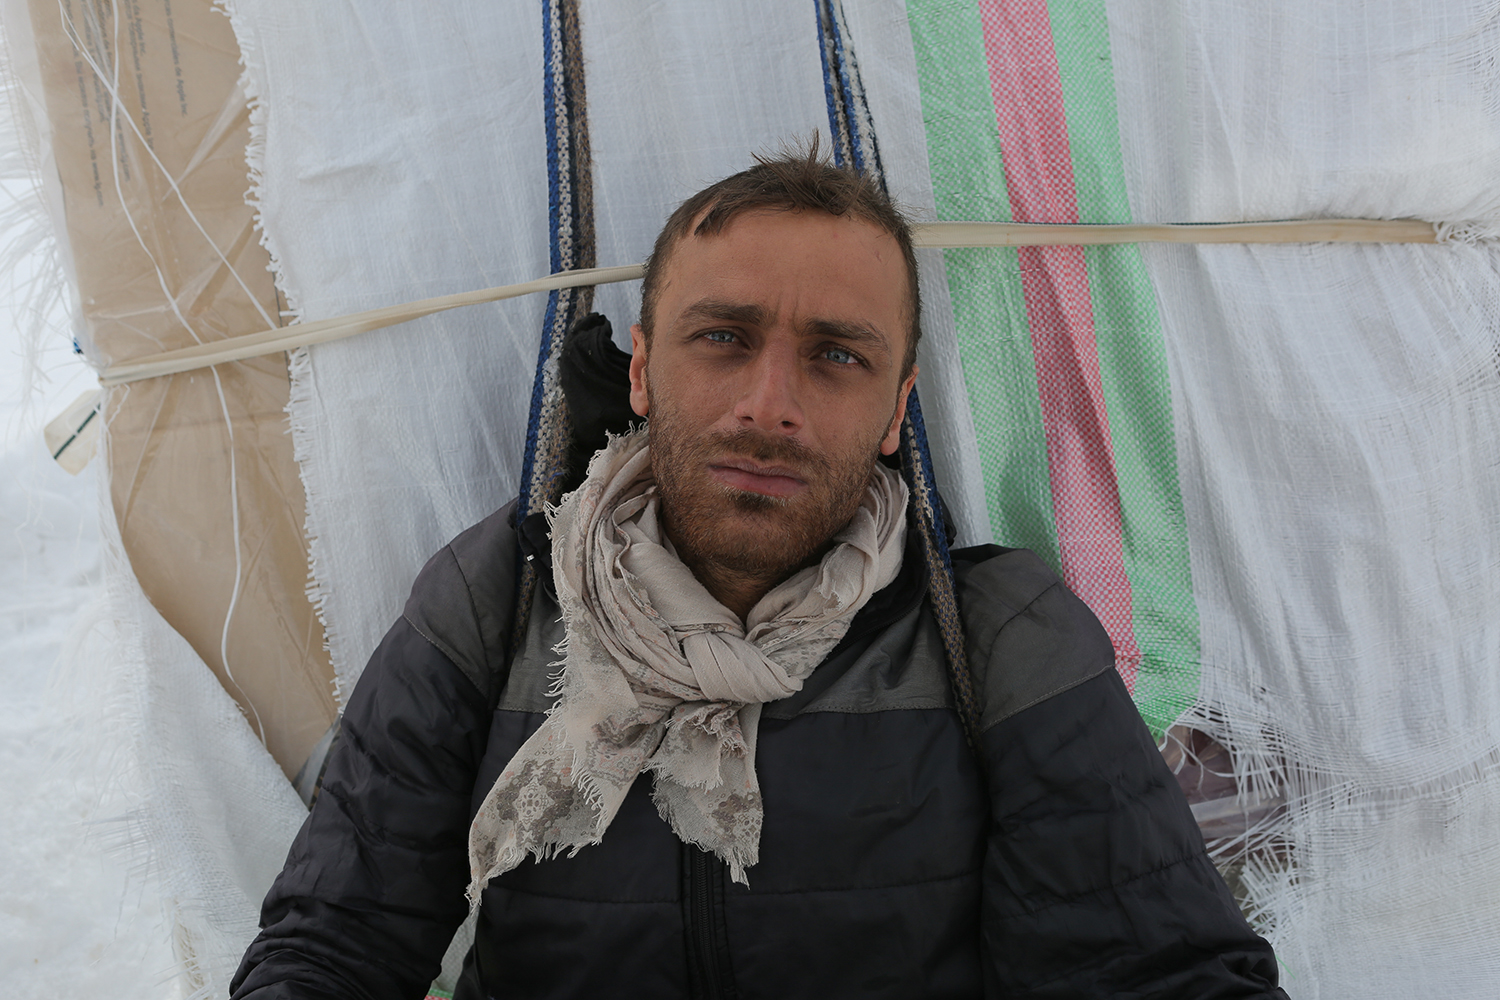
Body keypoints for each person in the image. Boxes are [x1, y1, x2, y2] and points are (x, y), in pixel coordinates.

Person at [231, 149, 1289, 999]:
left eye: (836, 356)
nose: (767, 402)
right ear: (642, 369)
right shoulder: (500, 597)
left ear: (894, 408)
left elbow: (1163, 967)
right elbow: (336, 944)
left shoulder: (996, 636)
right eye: (723, 338)